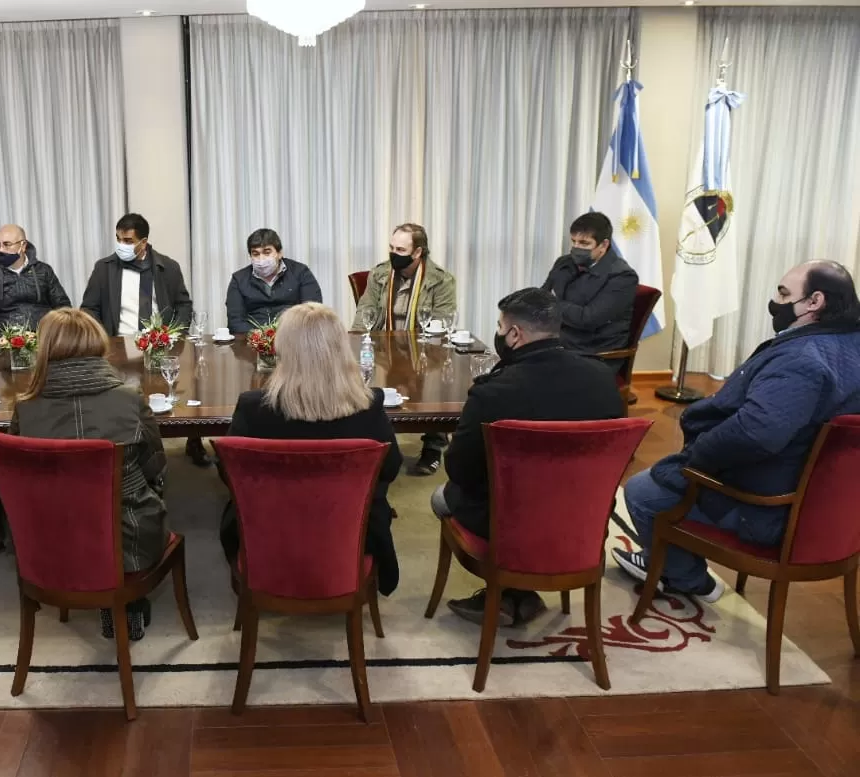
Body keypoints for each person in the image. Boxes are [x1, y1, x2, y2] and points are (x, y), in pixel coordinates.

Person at [613, 261, 860, 601]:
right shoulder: (849, 344)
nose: (775, 300)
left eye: (784, 293)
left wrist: (696, 460)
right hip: (835, 509)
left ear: (814, 302)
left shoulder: (802, 358)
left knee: (642, 491)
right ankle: (667, 560)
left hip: (769, 505)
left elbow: (757, 433)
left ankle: (688, 579)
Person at [430, 288, 624, 626]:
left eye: (500, 326)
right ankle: (519, 595)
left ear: (514, 334)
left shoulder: (493, 393)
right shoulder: (603, 380)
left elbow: (459, 469)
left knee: (438, 498)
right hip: (582, 520)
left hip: (507, 522)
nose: (499, 332)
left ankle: (510, 591)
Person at [223, 302, 403, 596]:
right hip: (350, 535)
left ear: (283, 348)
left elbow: (228, 474)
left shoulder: (254, 408)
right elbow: (391, 467)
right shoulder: (369, 406)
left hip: (268, 535)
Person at [11, 308, 167, 641]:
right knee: (150, 491)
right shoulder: (128, 399)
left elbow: (18, 474)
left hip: (49, 536)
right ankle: (128, 600)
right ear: (97, 344)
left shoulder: (26, 408)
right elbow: (155, 464)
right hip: (128, 537)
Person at [352, 223, 457, 476]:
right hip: (382, 348)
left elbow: (442, 322)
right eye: (391, 247)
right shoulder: (380, 274)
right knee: (363, 384)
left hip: (422, 348)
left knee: (436, 383)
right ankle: (381, 444)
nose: (393, 253)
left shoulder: (441, 279)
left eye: (400, 249)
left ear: (418, 252)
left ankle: (433, 447)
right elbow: (364, 311)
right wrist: (356, 343)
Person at [541, 212, 638, 369]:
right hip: (560, 343)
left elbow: (587, 319)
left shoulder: (622, 276)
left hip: (594, 354)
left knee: (532, 378)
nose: (576, 248)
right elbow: (541, 297)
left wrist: (553, 303)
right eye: (574, 242)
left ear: (604, 245)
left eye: (584, 243)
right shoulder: (564, 263)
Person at [80, 213, 193, 337]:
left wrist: (175, 336)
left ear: (143, 242)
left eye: (128, 241)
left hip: (159, 345)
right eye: (118, 239)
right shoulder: (104, 268)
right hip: (118, 344)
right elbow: (89, 309)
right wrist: (102, 338)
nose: (121, 245)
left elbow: (183, 306)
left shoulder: (169, 267)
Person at [0, 224, 71, 337]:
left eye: (7, 244)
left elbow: (63, 306)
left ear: (23, 246)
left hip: (44, 339)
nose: (1, 250)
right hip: (3, 343)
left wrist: (52, 335)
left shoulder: (43, 270)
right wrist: (0, 339)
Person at [224, 228, 322, 333]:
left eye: (267, 252)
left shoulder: (300, 272)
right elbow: (235, 321)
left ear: (279, 253)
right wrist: (260, 338)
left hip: (292, 337)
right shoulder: (239, 279)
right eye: (256, 254)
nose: (261, 259)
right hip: (252, 340)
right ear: (250, 256)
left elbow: (312, 312)